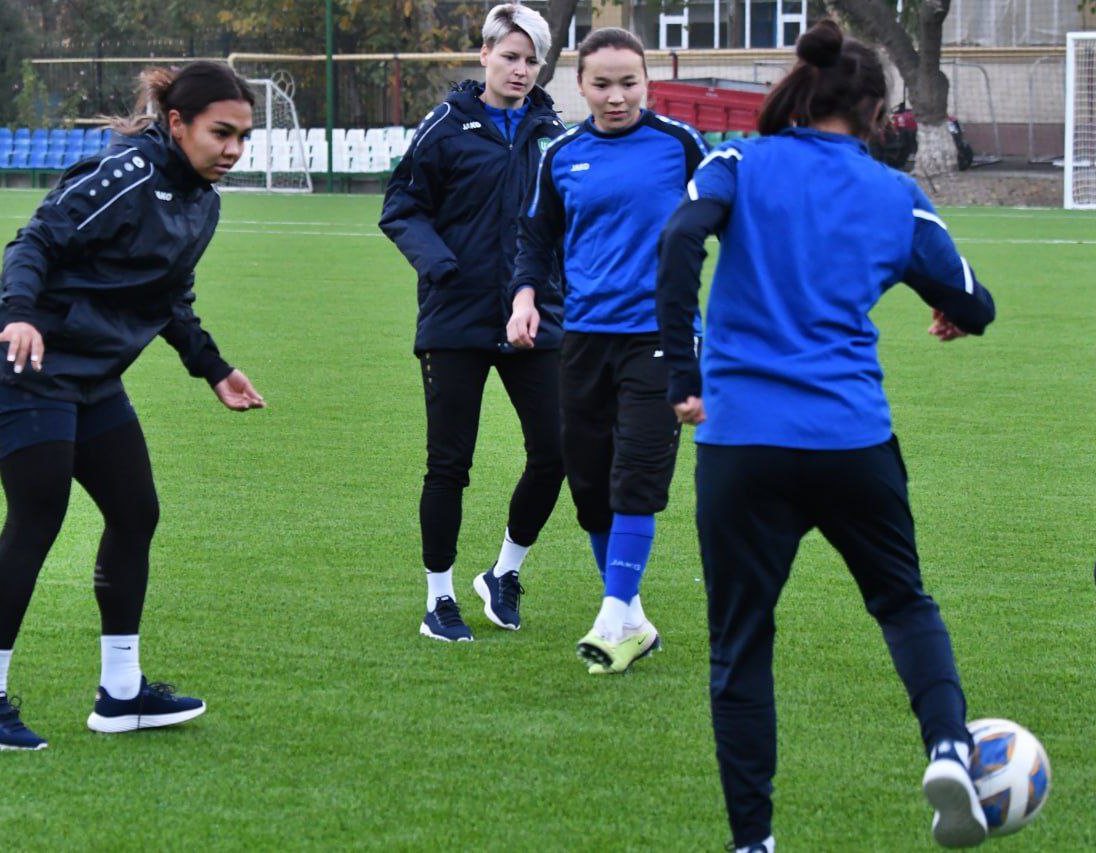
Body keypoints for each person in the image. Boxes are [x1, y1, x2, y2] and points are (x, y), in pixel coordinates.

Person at [656, 20, 996, 851]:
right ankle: (950, 748)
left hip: (743, 443)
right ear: (876, 113)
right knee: (903, 602)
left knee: (741, 645)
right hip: (850, 439)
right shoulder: (894, 192)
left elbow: (680, 236)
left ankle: (753, 840)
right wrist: (949, 309)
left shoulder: (739, 161)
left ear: (801, 92)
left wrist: (683, 375)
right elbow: (973, 301)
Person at [0, 61, 266, 750]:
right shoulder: (125, 175)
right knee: (38, 514)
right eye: (221, 133)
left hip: (93, 372)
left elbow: (170, 298)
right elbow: (34, 240)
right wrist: (22, 313)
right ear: (177, 123)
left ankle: (121, 692)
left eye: (243, 136)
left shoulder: (203, 203)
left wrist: (213, 368)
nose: (234, 149)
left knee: (135, 510)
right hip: (28, 357)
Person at [509, 27, 707, 674]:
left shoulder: (681, 145)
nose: (616, 96)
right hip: (585, 339)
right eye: (602, 84)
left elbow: (730, 221)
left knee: (637, 474)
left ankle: (611, 613)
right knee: (590, 483)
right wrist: (525, 297)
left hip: (661, 337)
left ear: (647, 81)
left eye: (629, 83)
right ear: (580, 85)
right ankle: (632, 620)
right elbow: (535, 239)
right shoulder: (562, 154)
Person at [380, 3, 569, 642]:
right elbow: (401, 206)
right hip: (455, 317)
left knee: (556, 452)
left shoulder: (555, 134)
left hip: (535, 317)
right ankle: (439, 599)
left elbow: (567, 221)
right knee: (449, 465)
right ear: (485, 54)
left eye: (531, 60)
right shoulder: (445, 126)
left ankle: (505, 572)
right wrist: (441, 265)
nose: (520, 70)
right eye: (509, 56)